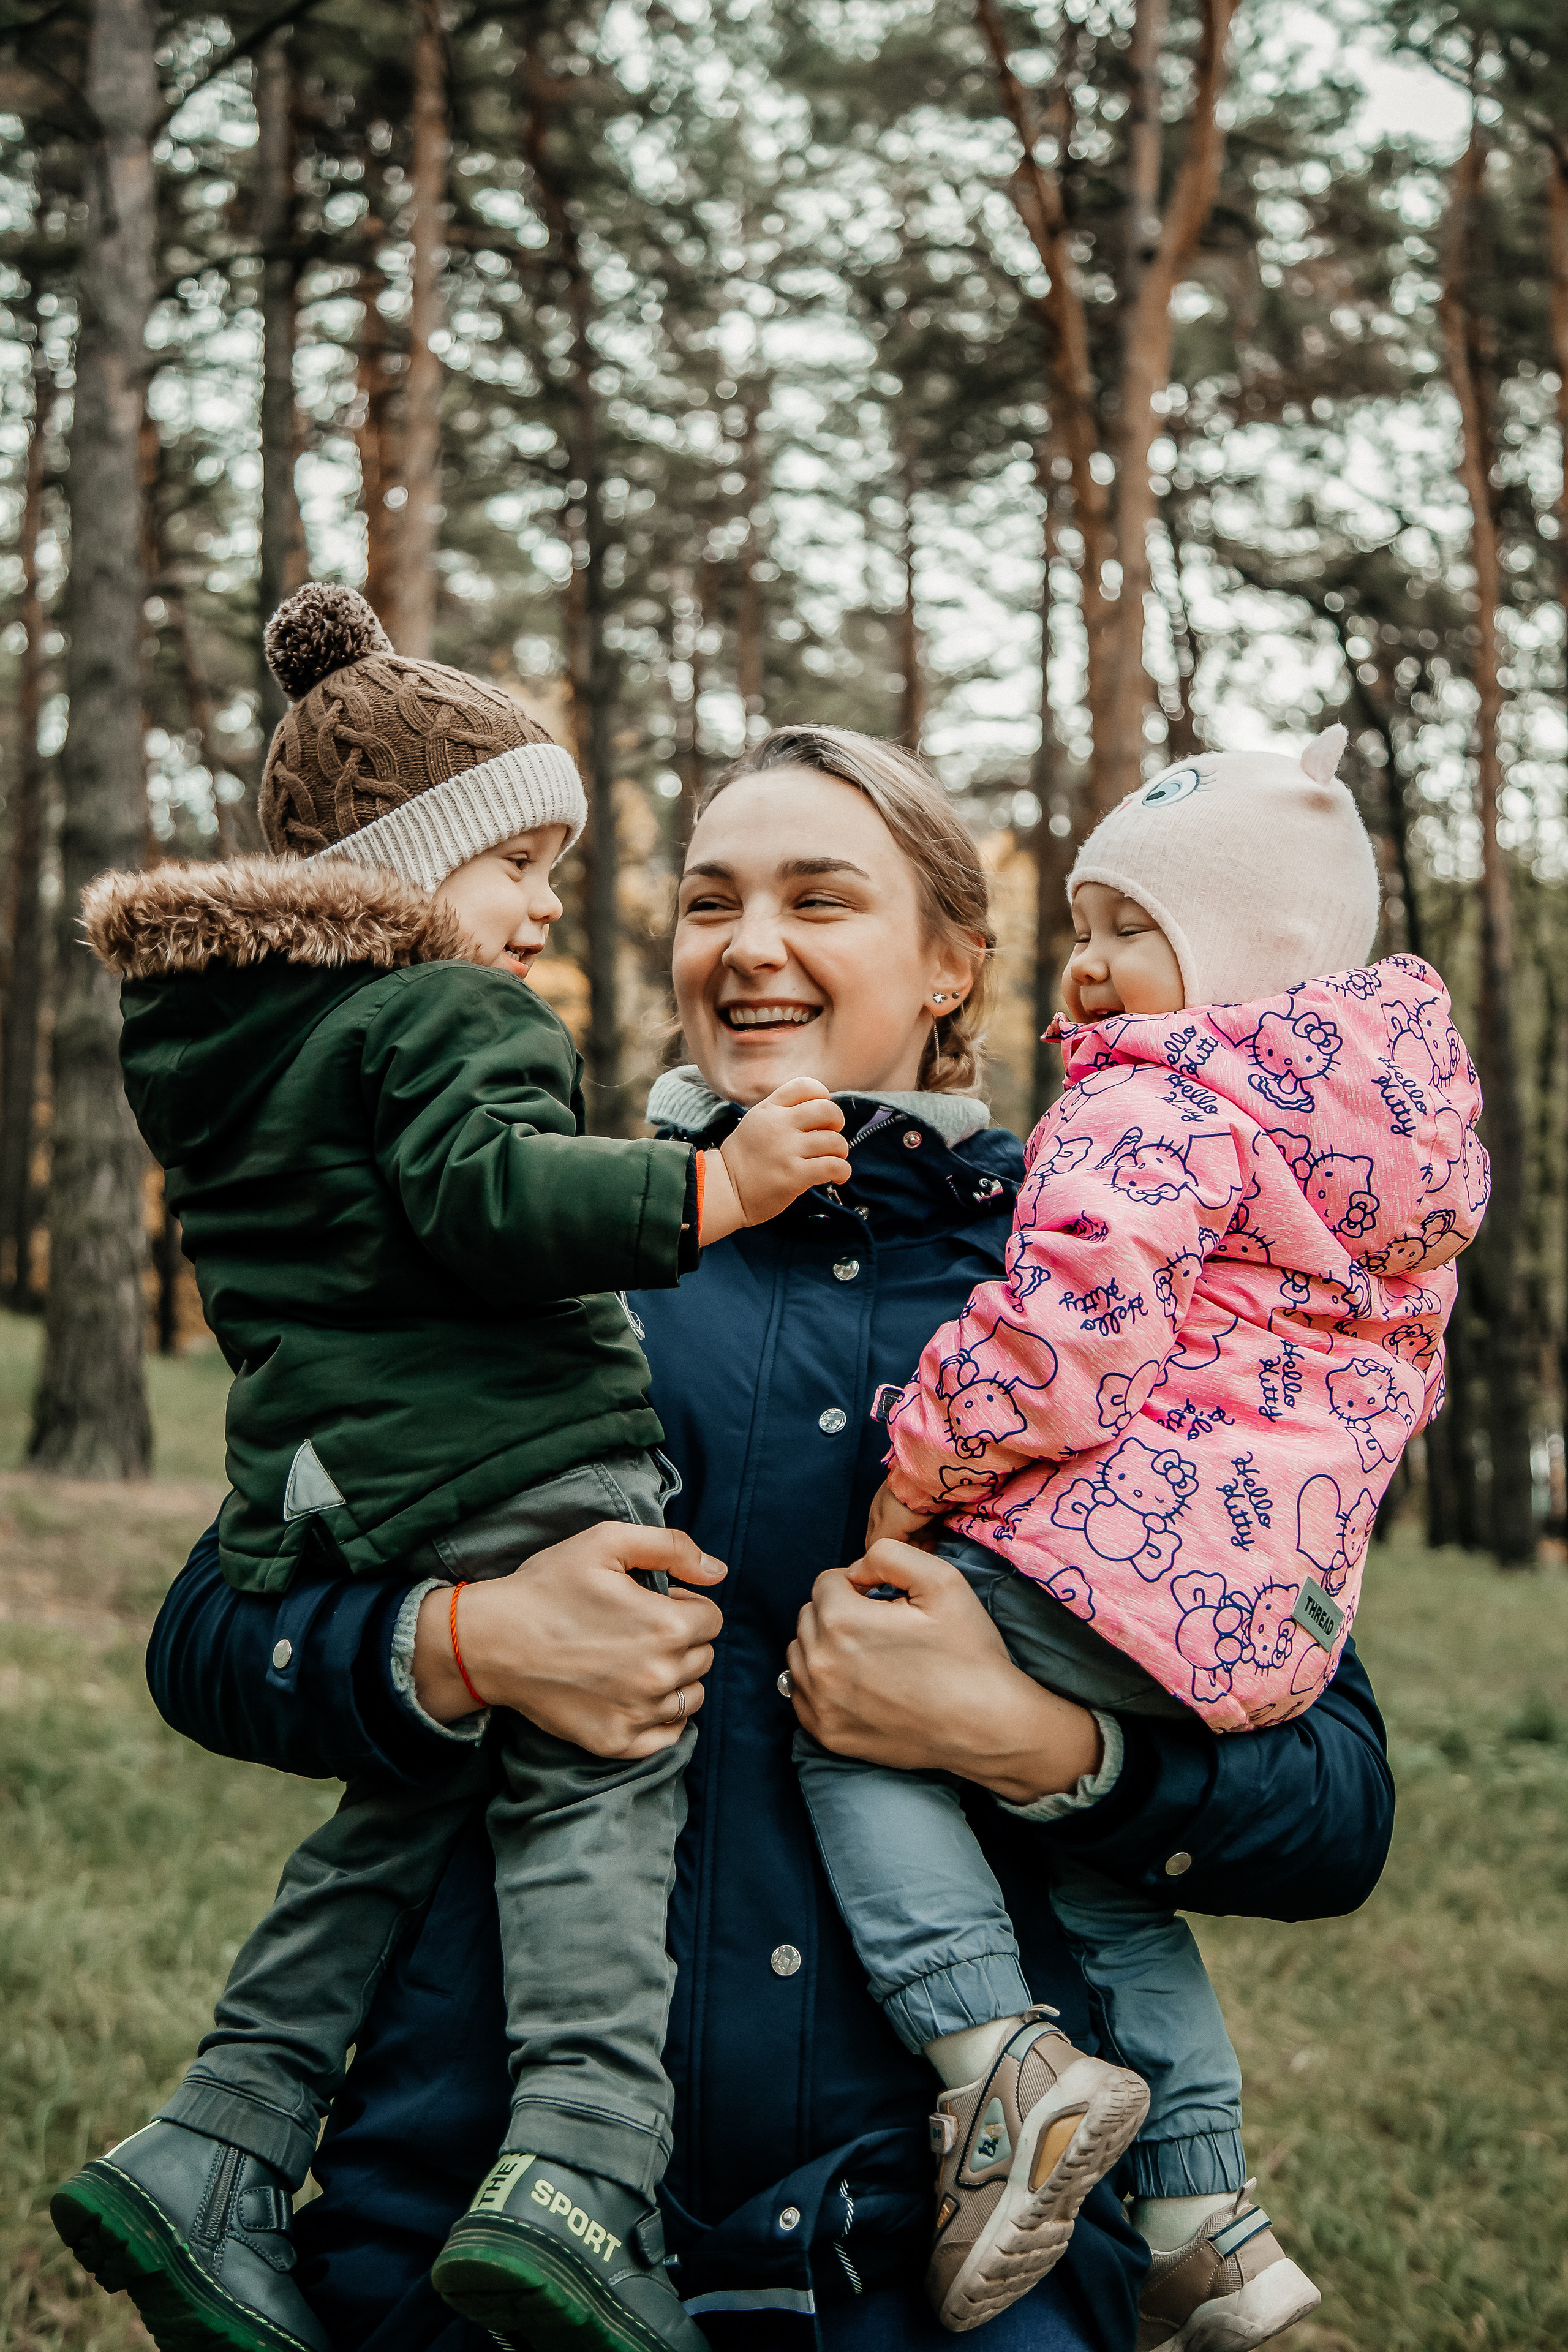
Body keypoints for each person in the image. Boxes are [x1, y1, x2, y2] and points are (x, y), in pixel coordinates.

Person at [138, 723, 1399, 2352]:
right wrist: (462, 1645)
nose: (749, 948)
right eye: (707, 900)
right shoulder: (513, 1240)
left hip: (935, 2269)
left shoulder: (1096, 1304)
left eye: (820, 898)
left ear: (953, 960)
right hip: (474, 2226)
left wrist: (1038, 1742)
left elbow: (1335, 1805)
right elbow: (210, 1636)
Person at [51, 586, 851, 2352]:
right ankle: (578, 2162)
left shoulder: (237, 1039)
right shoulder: (449, 1015)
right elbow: (493, 1196)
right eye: (519, 867)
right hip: (514, 1459)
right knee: (597, 1779)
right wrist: (709, 1189)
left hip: (336, 1480)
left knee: (395, 1813)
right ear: (417, 873)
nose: (547, 910)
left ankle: (219, 2133)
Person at [797, 729, 1485, 2342]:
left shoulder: (1160, 1101)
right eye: (1086, 924)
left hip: (1115, 1553)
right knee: (1109, 1894)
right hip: (1260, 1598)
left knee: (851, 1709)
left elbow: (1070, 1332)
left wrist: (919, 1459)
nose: (1091, 969)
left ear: (1240, 956)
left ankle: (997, 2060)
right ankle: (1206, 2217)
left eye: (1130, 927)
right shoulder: (1383, 1154)